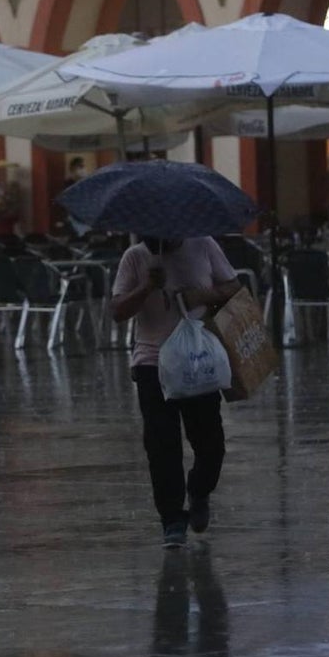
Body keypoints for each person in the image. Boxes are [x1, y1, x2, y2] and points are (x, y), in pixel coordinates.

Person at [111, 235, 240, 548]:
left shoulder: (204, 246)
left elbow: (234, 288)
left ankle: (200, 489)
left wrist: (204, 295)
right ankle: (171, 518)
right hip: (152, 362)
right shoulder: (134, 258)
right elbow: (117, 310)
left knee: (210, 442)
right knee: (160, 443)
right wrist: (145, 287)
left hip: (198, 360)